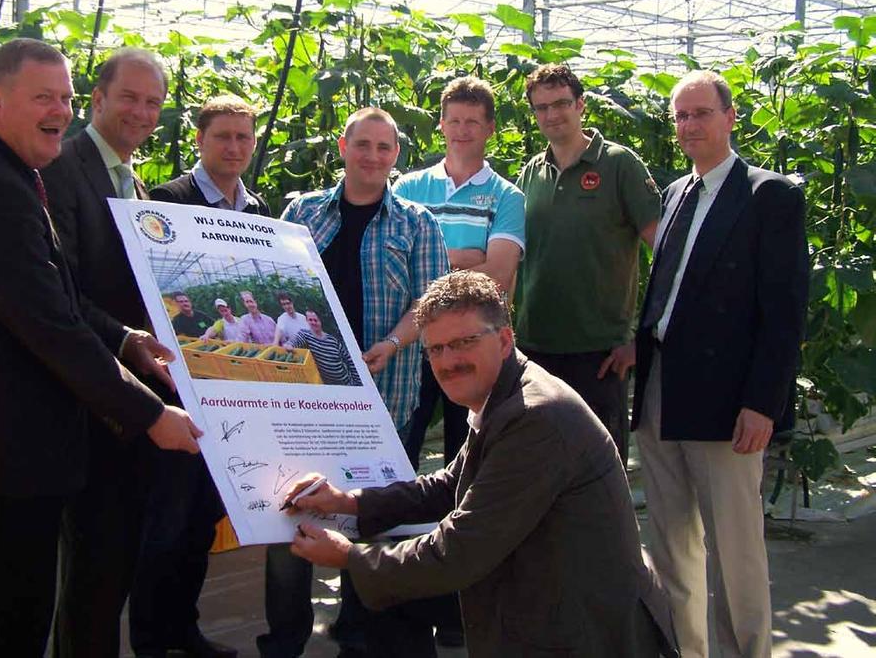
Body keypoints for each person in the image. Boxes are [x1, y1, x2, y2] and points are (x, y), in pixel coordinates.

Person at [0, 38, 200, 658]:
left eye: (65, 97)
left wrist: (125, 337)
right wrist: (151, 414)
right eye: (42, 97)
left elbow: (56, 293)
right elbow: (50, 326)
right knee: (5, 619)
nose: (60, 110)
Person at [288, 271, 678, 658]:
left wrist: (348, 557)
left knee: (392, 593)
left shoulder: (534, 416)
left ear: (505, 339)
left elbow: (460, 550)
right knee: (395, 602)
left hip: (582, 629)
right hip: (538, 586)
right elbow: (446, 485)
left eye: (464, 342)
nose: (448, 362)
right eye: (436, 349)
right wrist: (348, 501)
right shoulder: (506, 391)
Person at [41, 47, 235, 658]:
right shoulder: (64, 169)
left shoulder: (132, 177)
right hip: (90, 393)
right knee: (95, 559)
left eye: (153, 102)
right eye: (129, 97)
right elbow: (63, 291)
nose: (142, 111)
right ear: (96, 99)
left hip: (130, 391)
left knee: (119, 548)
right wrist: (126, 339)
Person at [631, 70, 808, 658]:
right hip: (662, 389)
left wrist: (763, 403)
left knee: (734, 551)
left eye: (701, 113)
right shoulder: (676, 194)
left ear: (731, 117)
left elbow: (784, 313)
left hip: (728, 400)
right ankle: (686, 649)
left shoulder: (768, 195)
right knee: (671, 545)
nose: (688, 126)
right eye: (680, 116)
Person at [260, 107, 448, 658]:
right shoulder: (303, 212)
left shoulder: (417, 222)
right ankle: (285, 639)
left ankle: (359, 633)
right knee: (288, 509)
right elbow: (275, 283)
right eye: (362, 145)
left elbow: (429, 302)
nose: (372, 157)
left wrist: (390, 344)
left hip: (385, 392)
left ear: (396, 156)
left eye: (383, 148)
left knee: (376, 510)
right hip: (305, 391)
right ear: (343, 147)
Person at [391, 74, 525, 647]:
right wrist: (463, 258)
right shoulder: (410, 185)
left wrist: (438, 263)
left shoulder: (508, 195)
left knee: (469, 473)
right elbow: (396, 261)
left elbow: (495, 278)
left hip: (473, 354)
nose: (463, 130)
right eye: (454, 119)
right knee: (397, 461)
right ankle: (396, 595)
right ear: (440, 123)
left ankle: (455, 604)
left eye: (475, 121)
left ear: (489, 129)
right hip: (412, 349)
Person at [137, 93, 270, 658]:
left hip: (235, 394)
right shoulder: (165, 203)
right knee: (164, 524)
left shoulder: (258, 213)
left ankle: (182, 631)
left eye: (244, 137)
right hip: (178, 390)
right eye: (224, 136)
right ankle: (149, 640)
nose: (235, 147)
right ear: (199, 139)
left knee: (200, 521)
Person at [513, 63, 660, 465]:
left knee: (599, 466)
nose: (551, 115)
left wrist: (639, 339)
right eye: (541, 107)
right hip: (535, 346)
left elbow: (664, 253)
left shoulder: (618, 165)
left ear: (581, 105)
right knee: (539, 463)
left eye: (561, 103)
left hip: (599, 350)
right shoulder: (532, 172)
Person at [290, 310, 362, 386]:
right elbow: (295, 341)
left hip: (348, 383)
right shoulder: (305, 334)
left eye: (315, 320)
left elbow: (349, 360)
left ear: (321, 321)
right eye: (310, 320)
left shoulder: (333, 340)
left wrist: (357, 382)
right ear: (307, 321)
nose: (313, 323)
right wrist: (289, 345)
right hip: (329, 386)